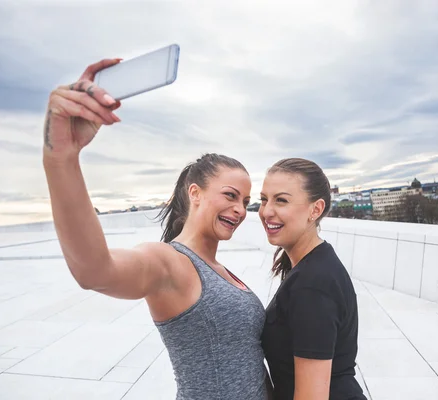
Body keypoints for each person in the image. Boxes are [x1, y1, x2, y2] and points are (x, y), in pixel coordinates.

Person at [42, 58, 271, 400]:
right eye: (230, 195)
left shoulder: (219, 269)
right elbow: (95, 270)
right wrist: (61, 158)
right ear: (195, 193)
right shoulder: (168, 262)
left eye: (245, 200)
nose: (240, 209)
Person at [258, 158, 366, 400]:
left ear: (315, 210)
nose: (266, 211)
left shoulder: (312, 284)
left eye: (281, 200)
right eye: (264, 199)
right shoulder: (314, 264)